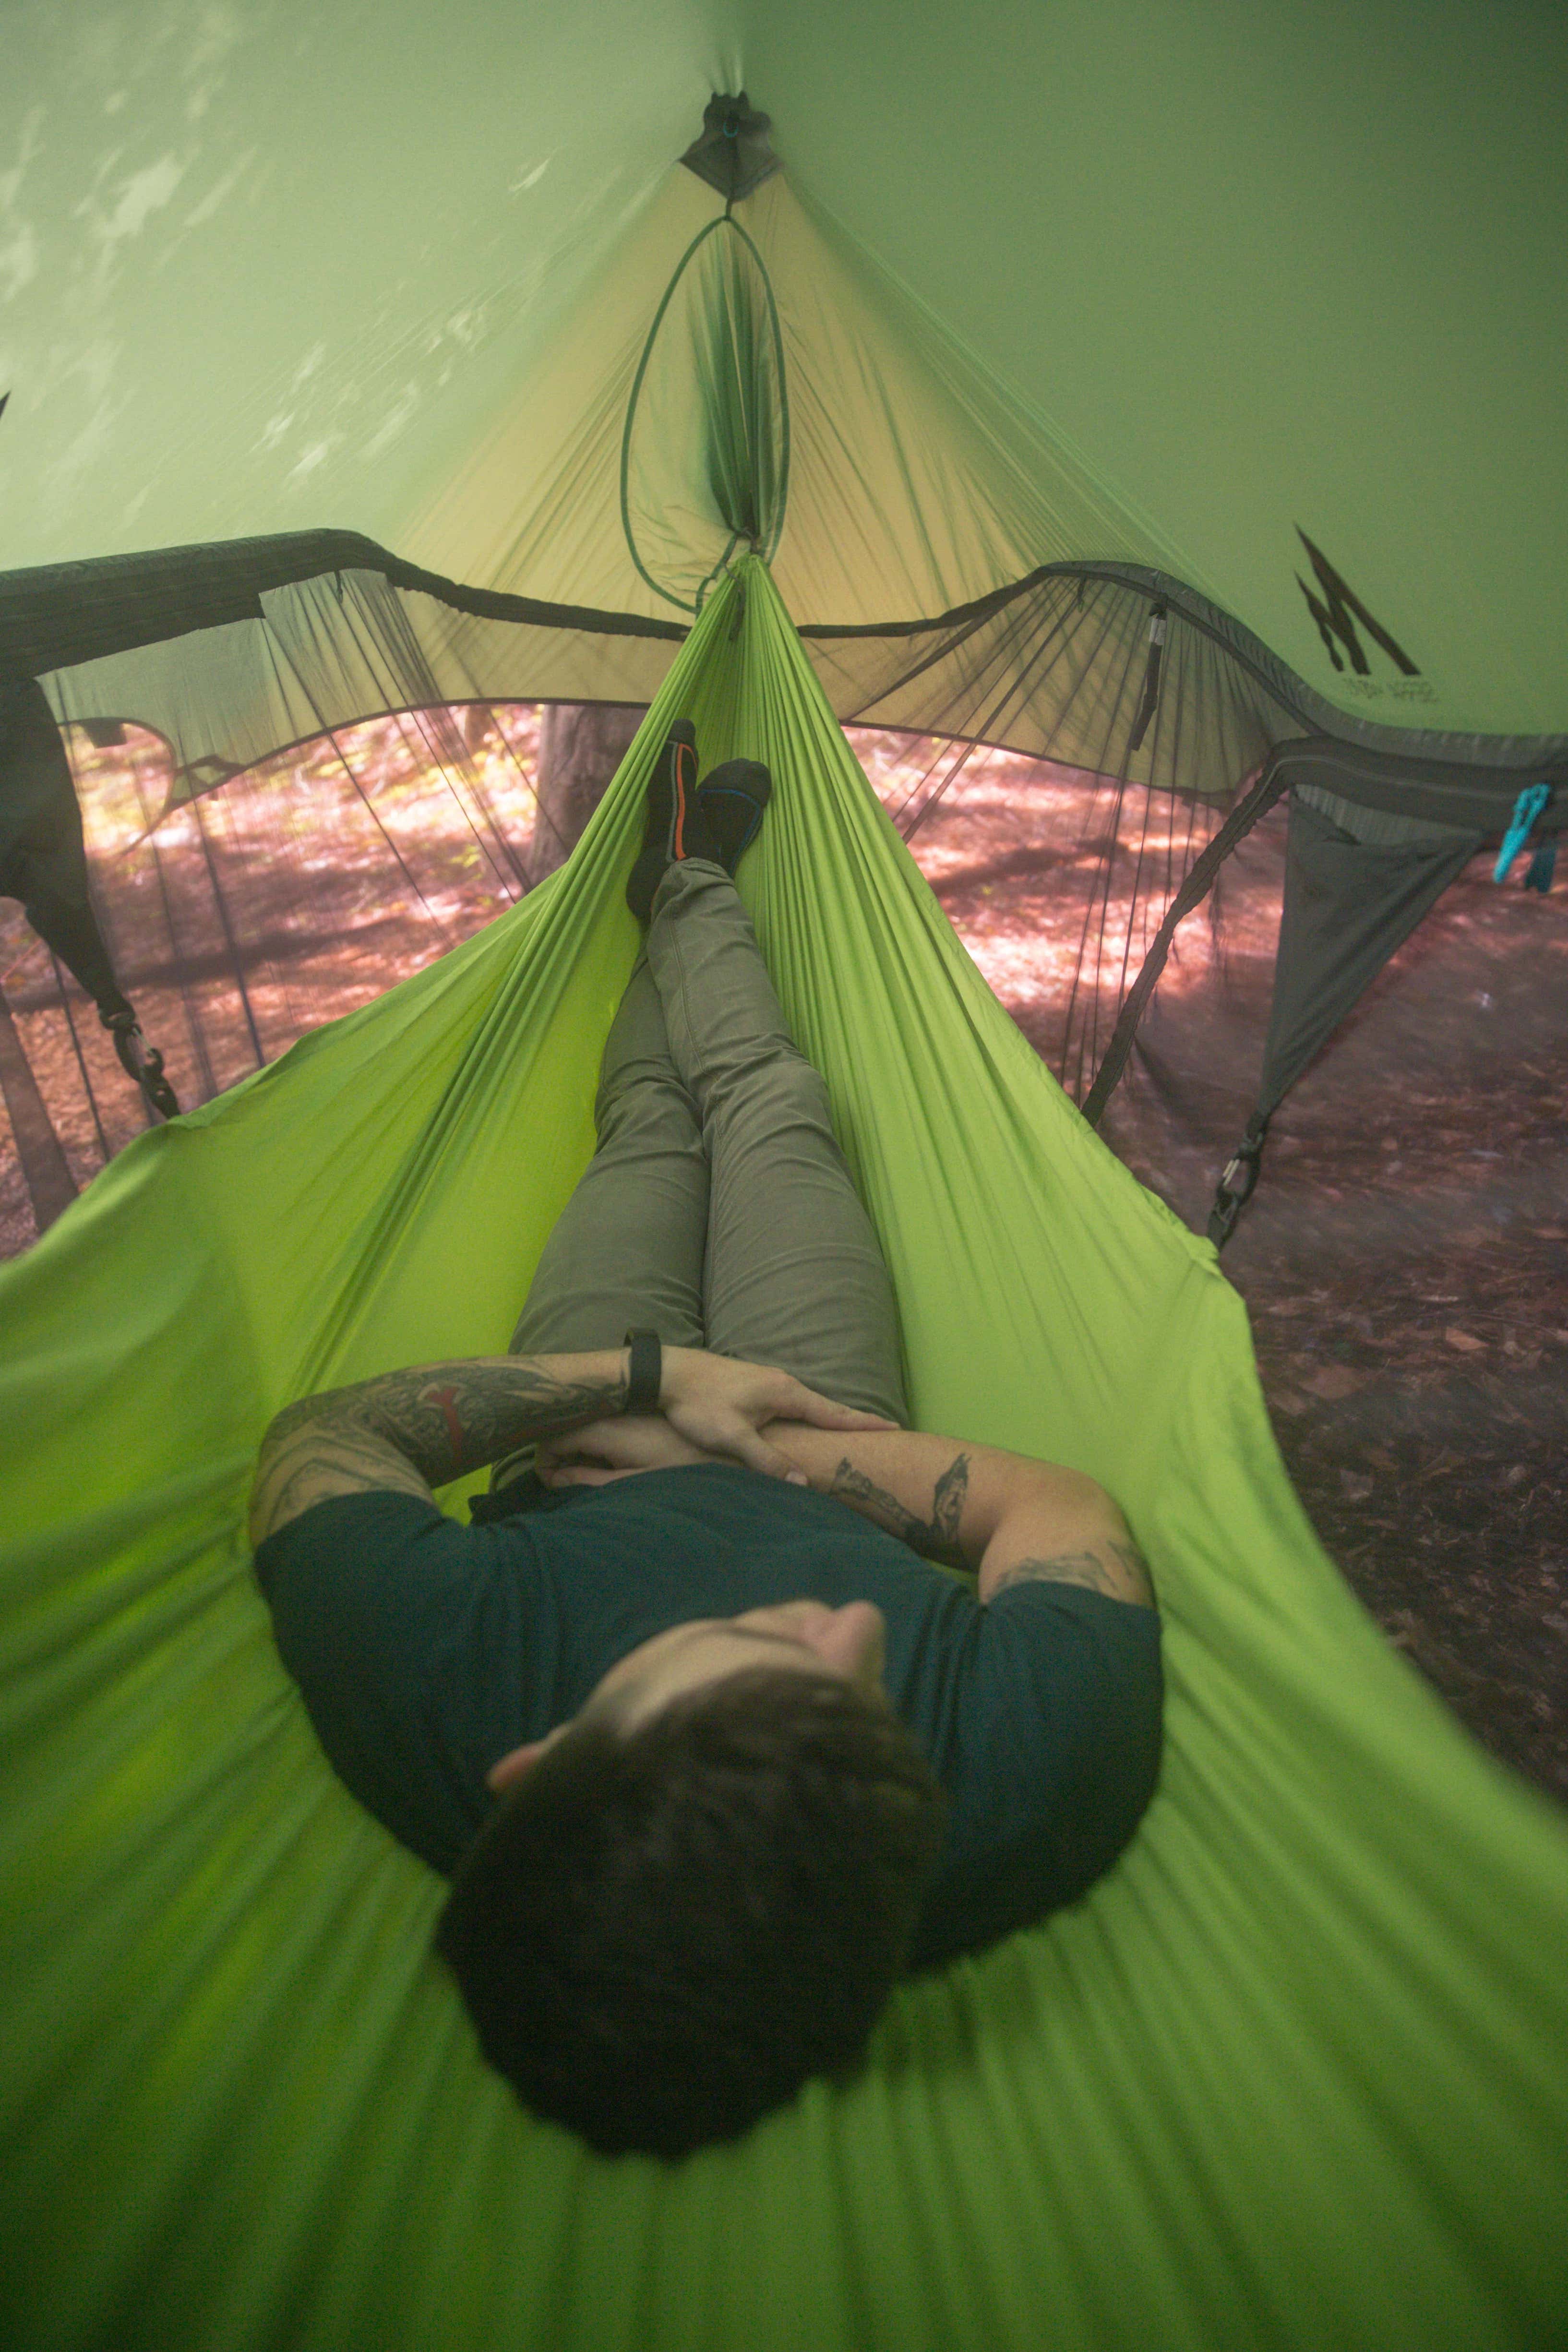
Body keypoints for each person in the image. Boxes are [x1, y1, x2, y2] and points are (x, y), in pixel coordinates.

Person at [249, 722, 1162, 2161]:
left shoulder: (425, 1669)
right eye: (865, 1697)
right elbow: (1057, 1505)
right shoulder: (1017, 1790)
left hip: (587, 1410)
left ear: (535, 1765)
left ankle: (669, 904)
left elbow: (322, 1435)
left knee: (646, 1130)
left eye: (768, 1656)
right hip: (828, 1419)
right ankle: (688, 887)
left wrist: (647, 1375)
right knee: (775, 1104)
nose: (852, 1626)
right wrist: (780, 1446)